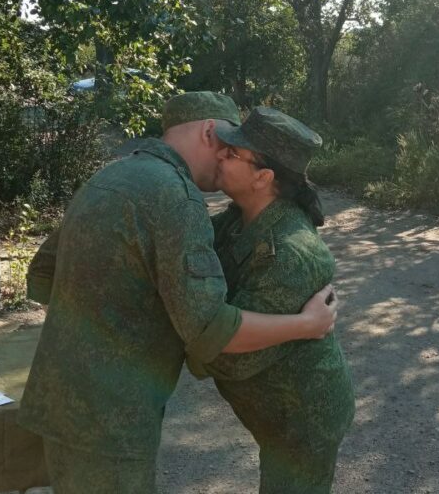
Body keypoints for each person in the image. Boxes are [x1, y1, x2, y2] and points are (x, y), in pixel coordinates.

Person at [19, 92, 338, 494]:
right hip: (113, 416)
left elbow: (43, 274)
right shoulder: (175, 196)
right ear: (209, 131)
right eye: (227, 145)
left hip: (58, 398)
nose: (224, 158)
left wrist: (105, 319)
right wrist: (306, 324)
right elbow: (211, 329)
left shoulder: (112, 176)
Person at [187, 107, 355, 493]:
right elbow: (191, 253)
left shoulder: (290, 254)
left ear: (263, 177)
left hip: (302, 418)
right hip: (275, 413)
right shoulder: (240, 217)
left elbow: (231, 357)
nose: (219, 154)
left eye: (232, 153)